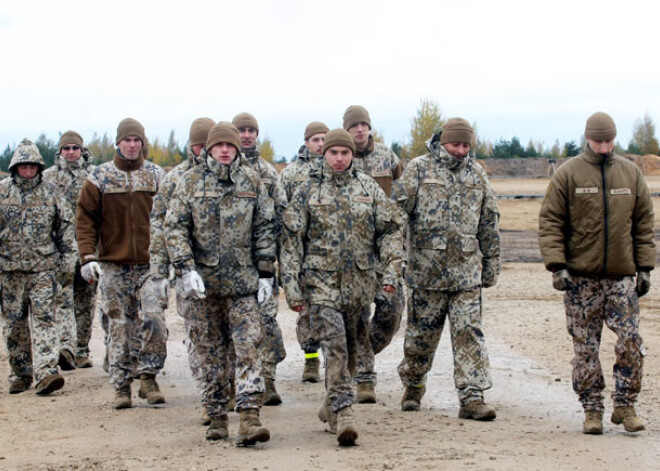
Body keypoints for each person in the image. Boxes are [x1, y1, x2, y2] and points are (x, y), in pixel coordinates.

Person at [281, 129, 403, 446]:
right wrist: (292, 287)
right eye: (333, 152)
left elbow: (390, 230)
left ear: (351, 155)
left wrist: (391, 270)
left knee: (349, 347)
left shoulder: (368, 188)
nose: (339, 158)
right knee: (335, 343)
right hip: (319, 283)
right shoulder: (307, 189)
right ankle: (345, 411)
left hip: (358, 285)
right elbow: (292, 242)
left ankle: (330, 404)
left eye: (344, 153)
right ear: (325, 155)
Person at [538, 111, 655, 434]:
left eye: (609, 141)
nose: (604, 148)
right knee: (585, 347)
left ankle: (625, 405)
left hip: (621, 278)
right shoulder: (568, 174)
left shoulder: (630, 174)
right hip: (580, 280)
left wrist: (644, 268)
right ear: (587, 138)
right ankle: (592, 409)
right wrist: (557, 265)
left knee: (630, 341)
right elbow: (550, 222)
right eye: (598, 141)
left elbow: (644, 225)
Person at [165, 121, 275, 444]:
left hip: (243, 285)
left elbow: (265, 226)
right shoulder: (190, 182)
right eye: (219, 145)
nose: (225, 150)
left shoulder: (252, 180)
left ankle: (249, 416)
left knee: (248, 348)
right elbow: (175, 228)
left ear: (237, 149)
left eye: (230, 146)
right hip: (204, 287)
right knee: (210, 352)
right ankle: (215, 415)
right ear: (209, 148)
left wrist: (266, 271)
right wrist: (186, 269)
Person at [393, 118, 500, 421]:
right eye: (456, 144)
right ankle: (413, 383)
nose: (460, 150)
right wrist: (396, 259)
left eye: (466, 145)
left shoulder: (476, 174)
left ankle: (472, 397)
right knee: (420, 339)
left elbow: (489, 221)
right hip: (426, 274)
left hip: (466, 274)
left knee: (469, 335)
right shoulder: (419, 169)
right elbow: (396, 215)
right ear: (443, 143)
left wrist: (491, 264)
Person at [76, 118, 168, 409]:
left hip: (150, 265)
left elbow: (171, 218)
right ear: (118, 142)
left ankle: (148, 376)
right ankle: (121, 385)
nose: (131, 145)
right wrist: (87, 257)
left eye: (136, 140)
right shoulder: (99, 177)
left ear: (142, 143)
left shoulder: (156, 176)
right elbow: (85, 220)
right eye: (126, 140)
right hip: (113, 266)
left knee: (154, 320)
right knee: (118, 326)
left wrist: (171, 259)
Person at [0, 139, 76, 395]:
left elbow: (66, 229)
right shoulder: (2, 193)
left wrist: (68, 264)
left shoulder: (52, 192)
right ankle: (21, 373)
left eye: (32, 166)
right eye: (23, 166)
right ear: (15, 167)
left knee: (45, 320)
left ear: (39, 167)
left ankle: (46, 373)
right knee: (14, 325)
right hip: (9, 272)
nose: (28, 171)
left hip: (44, 269)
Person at [342, 105, 405, 403]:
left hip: (384, 249)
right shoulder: (339, 156)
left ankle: (358, 352)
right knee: (356, 314)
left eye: (363, 125)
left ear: (370, 127)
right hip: (353, 251)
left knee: (391, 312)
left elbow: (402, 194)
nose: (359, 130)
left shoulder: (387, 157)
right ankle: (365, 375)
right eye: (353, 126)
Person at [232, 112, 287, 405]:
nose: (246, 135)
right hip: (231, 266)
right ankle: (235, 384)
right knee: (236, 327)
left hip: (263, 263)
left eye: (251, 130)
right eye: (241, 130)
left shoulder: (267, 172)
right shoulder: (223, 168)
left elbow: (281, 214)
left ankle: (268, 378)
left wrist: (276, 258)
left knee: (266, 320)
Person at [278, 120, 329, 383]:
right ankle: (311, 359)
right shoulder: (291, 174)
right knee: (307, 311)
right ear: (307, 142)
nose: (320, 144)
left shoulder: (337, 166)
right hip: (304, 253)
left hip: (332, 252)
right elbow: (282, 215)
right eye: (316, 139)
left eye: (324, 139)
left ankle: (338, 361)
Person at [43, 131, 97, 369]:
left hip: (89, 249)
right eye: (67, 148)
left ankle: (82, 349)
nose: (71, 152)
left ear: (82, 150)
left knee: (86, 301)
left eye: (75, 148)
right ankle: (66, 348)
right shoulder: (48, 177)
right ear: (60, 151)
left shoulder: (94, 176)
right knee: (63, 299)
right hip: (60, 250)